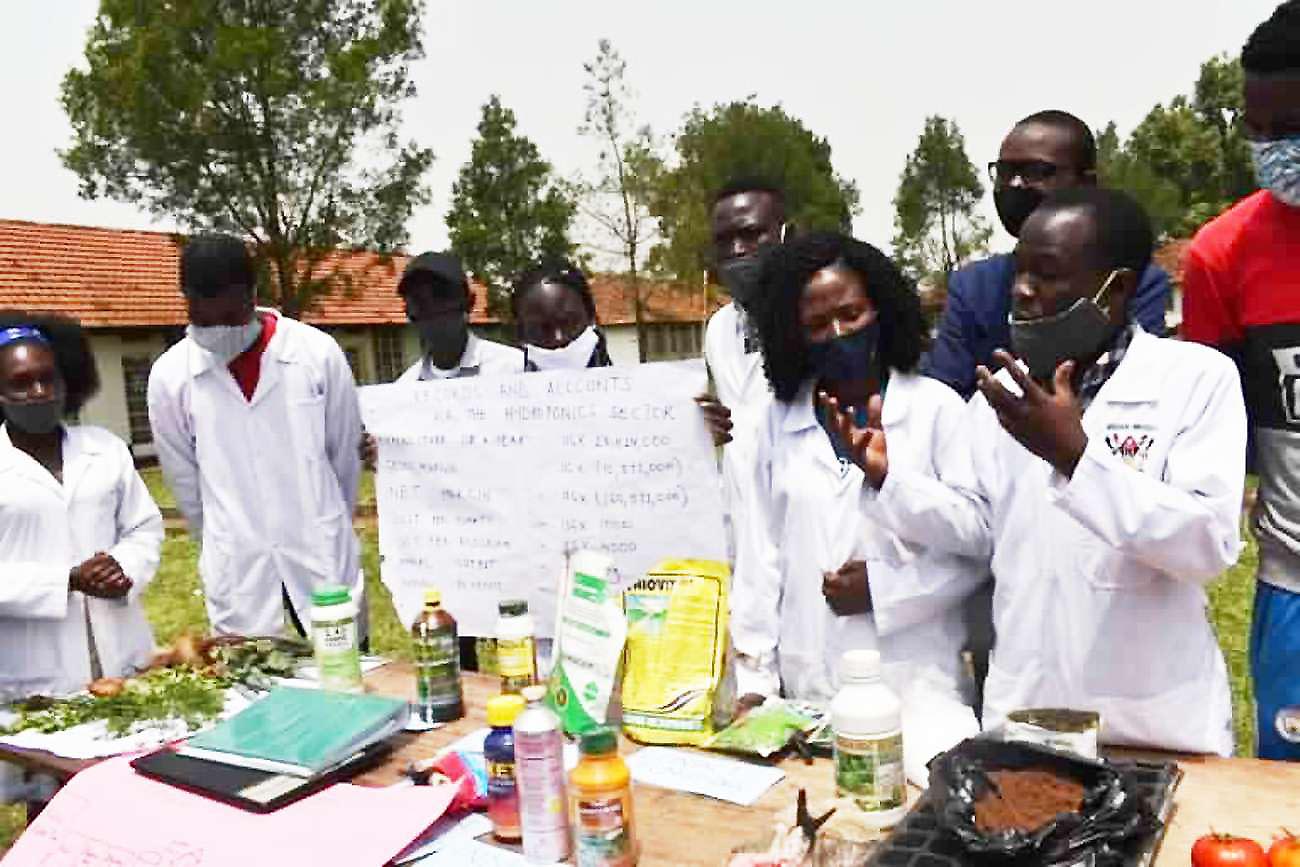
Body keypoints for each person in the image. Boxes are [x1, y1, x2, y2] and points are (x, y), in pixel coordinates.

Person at [834, 189, 1245, 755]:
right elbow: (978, 530)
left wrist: (1076, 458)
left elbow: (1207, 545)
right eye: (1020, 272)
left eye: (1047, 275)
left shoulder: (1197, 379)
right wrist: (890, 481)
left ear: (1116, 289)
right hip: (1030, 714)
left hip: (1154, 721)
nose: (1023, 292)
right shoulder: (999, 396)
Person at [732, 232, 984, 744]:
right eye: (817, 325)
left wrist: (885, 589)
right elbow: (758, 559)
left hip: (917, 690)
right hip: (807, 695)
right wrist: (756, 683)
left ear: (882, 310)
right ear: (791, 335)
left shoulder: (937, 409)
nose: (839, 333)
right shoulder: (771, 423)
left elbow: (978, 544)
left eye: (852, 314)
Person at [1181, 0, 1300, 761]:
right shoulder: (1222, 255)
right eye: (1257, 131)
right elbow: (1217, 438)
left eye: (1289, 128)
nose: (1271, 149)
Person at [148, 234, 364, 639]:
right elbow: (185, 484)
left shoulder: (316, 353)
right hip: (238, 567)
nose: (217, 331)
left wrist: (325, 521)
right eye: (204, 319)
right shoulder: (170, 375)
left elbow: (345, 459)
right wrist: (224, 537)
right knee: (255, 686)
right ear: (187, 301)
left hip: (320, 551)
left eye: (229, 317)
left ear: (251, 295)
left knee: (344, 677)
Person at [0, 313, 163, 813]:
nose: (39, 392)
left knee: (137, 794)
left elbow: (145, 528)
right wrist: (64, 581)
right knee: (53, 800)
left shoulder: (106, 449)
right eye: (20, 383)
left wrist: (123, 568)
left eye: (49, 377)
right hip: (35, 671)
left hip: (120, 654)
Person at [923, 110, 1172, 400]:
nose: (1015, 185)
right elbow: (945, 396)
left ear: (1087, 184)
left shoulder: (1134, 280)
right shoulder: (973, 286)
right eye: (1005, 172)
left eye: (1035, 172)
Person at [701, 178, 786, 557]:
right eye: (724, 240)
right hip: (744, 543)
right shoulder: (718, 329)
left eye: (751, 234)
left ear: (786, 235)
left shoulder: (820, 320)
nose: (737, 250)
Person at [511, 260, 613, 371]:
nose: (558, 339)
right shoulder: (497, 384)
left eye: (569, 324)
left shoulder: (632, 382)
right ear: (521, 333)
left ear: (591, 318)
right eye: (541, 329)